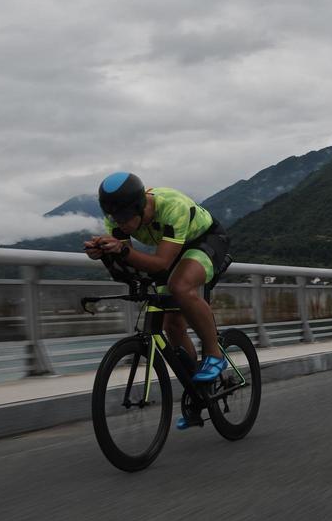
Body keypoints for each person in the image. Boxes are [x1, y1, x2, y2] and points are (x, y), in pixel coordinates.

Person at [84, 171, 230, 401]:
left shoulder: (173, 206)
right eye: (114, 219)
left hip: (205, 240)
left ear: (141, 207)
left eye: (124, 218)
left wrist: (122, 249)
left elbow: (161, 263)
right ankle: (199, 390)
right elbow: (128, 261)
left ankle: (214, 353)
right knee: (172, 325)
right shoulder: (115, 219)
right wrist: (103, 253)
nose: (120, 225)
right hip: (171, 250)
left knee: (180, 286)